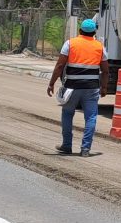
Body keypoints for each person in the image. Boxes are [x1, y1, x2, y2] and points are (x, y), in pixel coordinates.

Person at [46, 17, 108, 156]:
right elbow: (105, 70)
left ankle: (67, 146)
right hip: (92, 88)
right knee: (91, 117)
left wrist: (51, 83)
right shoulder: (100, 47)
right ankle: (85, 149)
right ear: (94, 32)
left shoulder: (70, 43)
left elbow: (60, 65)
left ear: (80, 30)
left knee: (67, 114)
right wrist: (104, 88)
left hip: (71, 87)